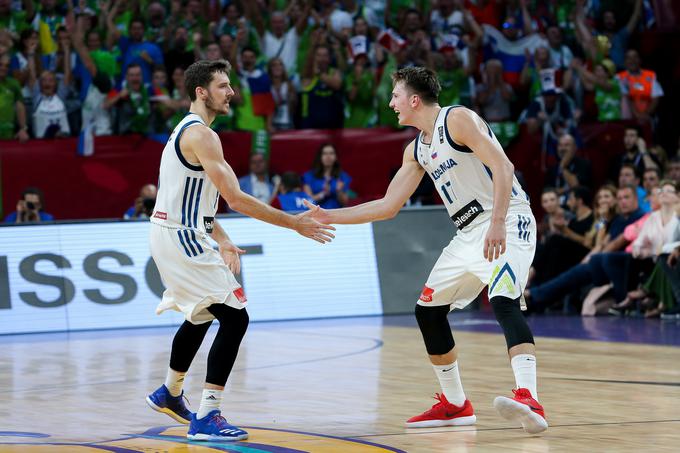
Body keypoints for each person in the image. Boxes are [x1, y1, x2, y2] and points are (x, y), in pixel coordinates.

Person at [304, 67, 547, 434]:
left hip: (507, 219)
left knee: (503, 301)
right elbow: (387, 206)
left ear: (414, 99)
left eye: (395, 96)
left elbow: (503, 165)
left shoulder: (458, 119)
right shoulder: (416, 149)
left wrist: (497, 221)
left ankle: (530, 397)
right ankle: (455, 403)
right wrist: (329, 216)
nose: (391, 104)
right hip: (467, 234)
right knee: (427, 311)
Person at [146, 59, 335, 442]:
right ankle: (207, 416)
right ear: (201, 91)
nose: (231, 92)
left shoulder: (186, 131)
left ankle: (170, 391)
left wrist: (223, 239)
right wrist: (293, 222)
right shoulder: (202, 135)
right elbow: (236, 198)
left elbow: (194, 203)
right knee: (235, 318)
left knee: (201, 314)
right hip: (181, 236)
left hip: (174, 231)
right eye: (223, 86)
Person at [303, 143, 352, 209]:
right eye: (325, 153)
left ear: (336, 157)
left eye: (331, 153)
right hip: (316, 215)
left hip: (337, 214)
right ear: (320, 156)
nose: (328, 156)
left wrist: (339, 191)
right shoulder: (308, 176)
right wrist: (323, 194)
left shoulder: (343, 176)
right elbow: (307, 202)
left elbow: (344, 202)